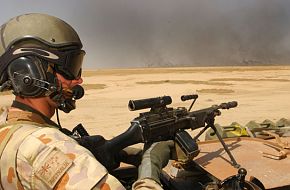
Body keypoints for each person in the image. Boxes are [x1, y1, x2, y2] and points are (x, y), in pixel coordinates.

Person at [0, 13, 173, 189]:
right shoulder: (48, 149)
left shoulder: (8, 128)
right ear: (30, 73)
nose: (78, 80)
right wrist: (150, 168)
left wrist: (106, 150)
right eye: (70, 68)